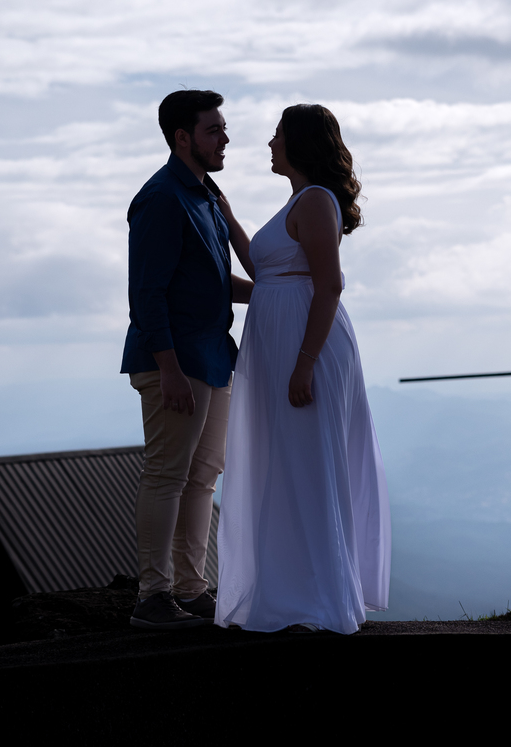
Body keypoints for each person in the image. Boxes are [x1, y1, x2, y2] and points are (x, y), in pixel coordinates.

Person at [214, 104, 390, 634]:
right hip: (282, 343)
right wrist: (228, 219)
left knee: (307, 464)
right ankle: (291, 593)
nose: (270, 144)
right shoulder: (298, 200)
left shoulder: (314, 200)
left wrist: (304, 364)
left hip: (307, 347)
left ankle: (318, 600)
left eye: (277, 135)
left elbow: (329, 285)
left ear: (300, 142)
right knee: (284, 463)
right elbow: (265, 273)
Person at [121, 90, 253, 629]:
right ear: (182, 138)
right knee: (167, 475)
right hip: (174, 362)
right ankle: (153, 596)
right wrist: (169, 368)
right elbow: (146, 293)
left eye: (223, 128)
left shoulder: (205, 196)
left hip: (212, 357)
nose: (225, 139)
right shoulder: (162, 198)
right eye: (213, 130)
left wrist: (280, 292)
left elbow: (214, 283)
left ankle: (191, 588)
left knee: (202, 477)